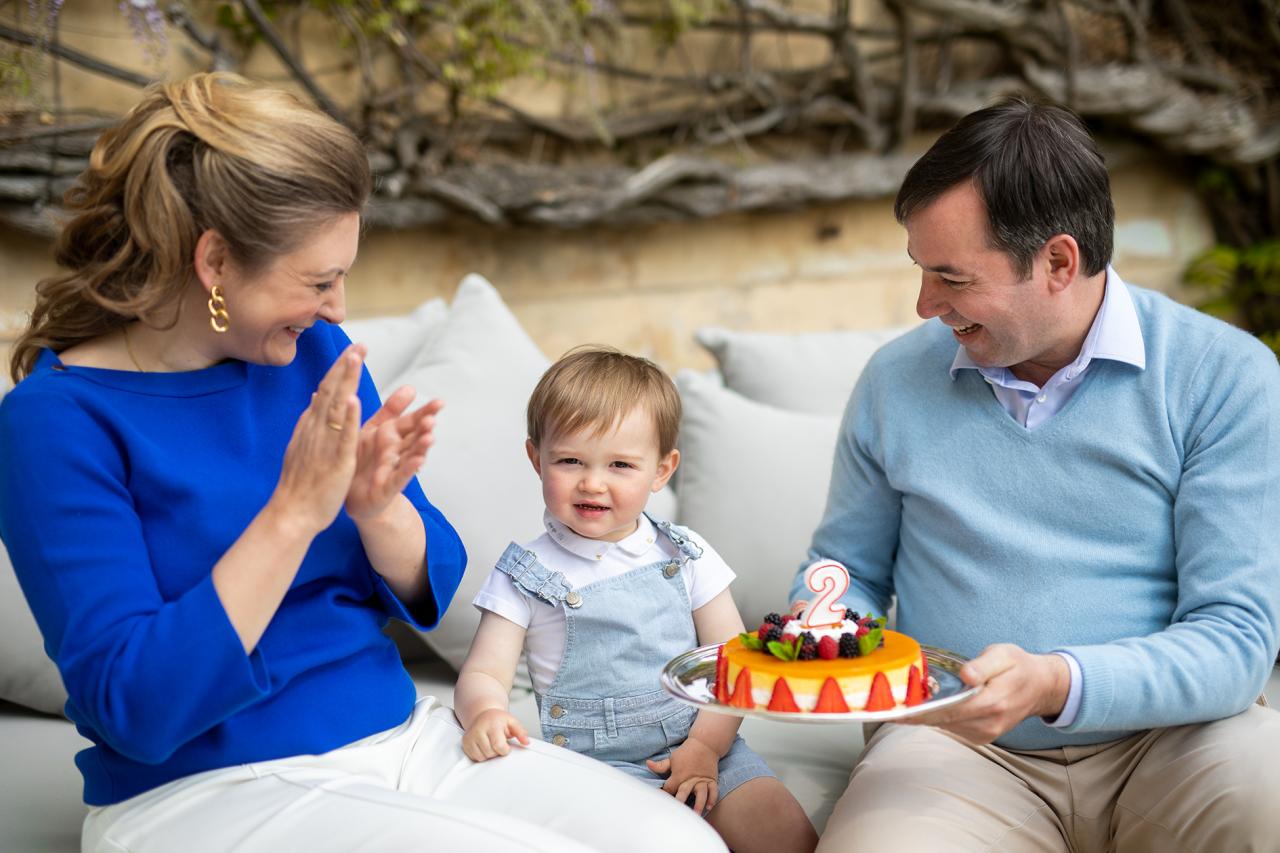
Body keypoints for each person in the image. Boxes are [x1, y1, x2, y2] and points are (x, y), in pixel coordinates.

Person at [0, 73, 725, 853]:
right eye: (319, 279)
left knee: (679, 842)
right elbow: (136, 709)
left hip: (398, 736)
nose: (339, 307)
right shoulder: (56, 422)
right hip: (202, 791)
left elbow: (435, 577)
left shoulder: (311, 352)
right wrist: (292, 514)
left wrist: (377, 507)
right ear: (214, 261)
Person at [791, 97, 1280, 852]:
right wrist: (820, 626)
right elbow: (844, 570)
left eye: (951, 278)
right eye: (921, 272)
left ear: (1058, 261)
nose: (925, 305)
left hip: (1175, 744)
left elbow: (1236, 636)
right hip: (954, 749)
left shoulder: (1226, 377)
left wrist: (1057, 680)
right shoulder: (893, 380)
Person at [455, 346, 818, 853]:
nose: (592, 482)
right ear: (536, 458)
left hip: (710, 745)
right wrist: (485, 714)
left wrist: (705, 748)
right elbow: (483, 674)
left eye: (621, 464)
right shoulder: (525, 575)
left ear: (662, 470)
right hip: (595, 772)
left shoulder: (686, 554)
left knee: (785, 832)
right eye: (570, 460)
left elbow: (733, 664)